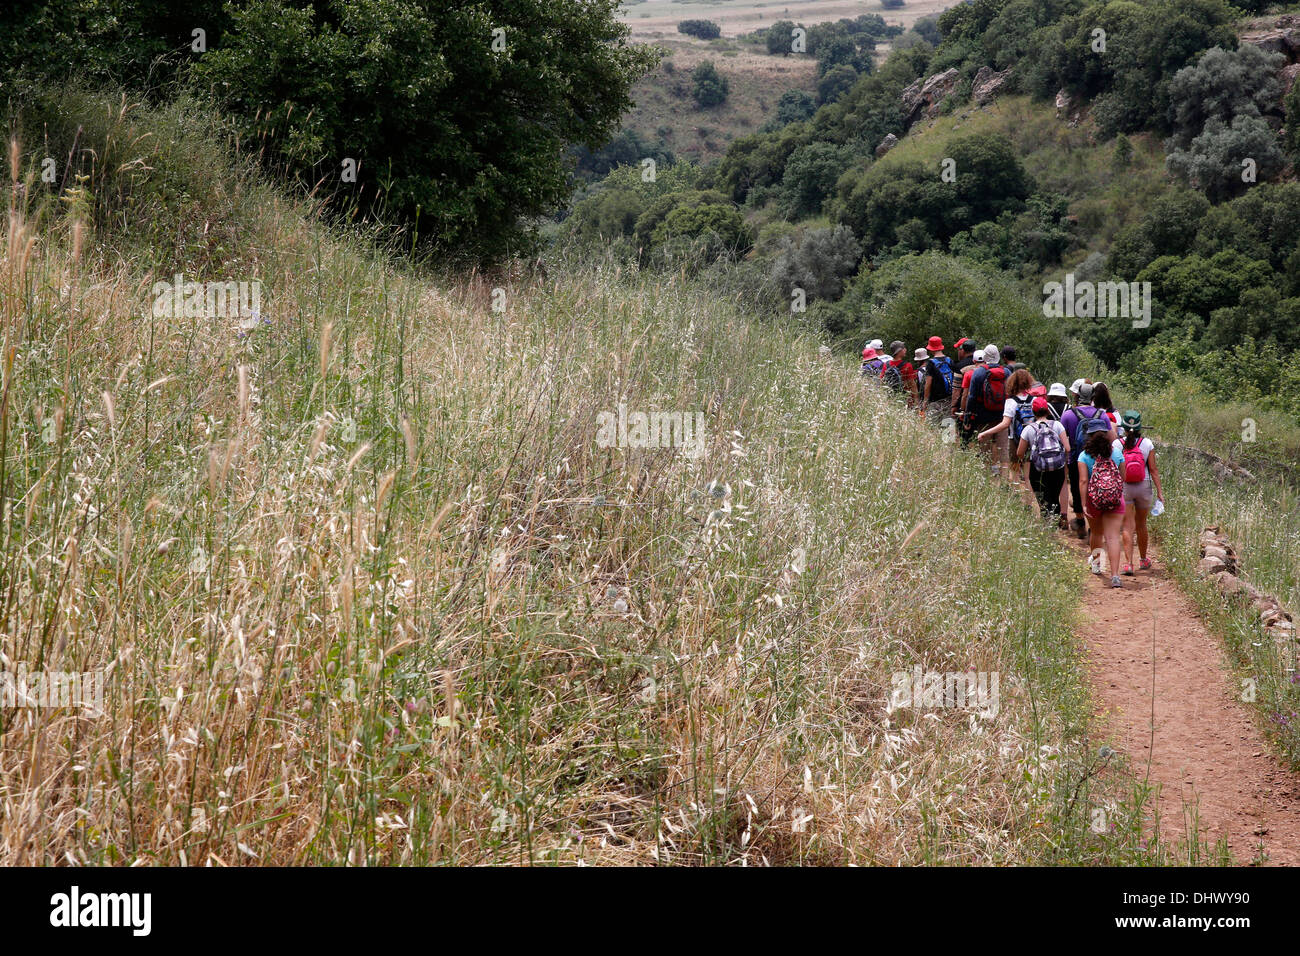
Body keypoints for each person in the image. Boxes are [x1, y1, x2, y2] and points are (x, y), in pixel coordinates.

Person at [1060, 382, 1117, 540]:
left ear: (1077, 396)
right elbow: (1112, 438)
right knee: (1097, 489)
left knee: (1078, 491)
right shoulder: (1101, 414)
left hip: (1076, 458)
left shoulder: (1068, 415)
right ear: (1093, 397)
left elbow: (1061, 437)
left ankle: (1080, 522)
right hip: (1098, 460)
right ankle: (1094, 526)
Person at [1115, 410, 1164, 575]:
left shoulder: (1117, 444)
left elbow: (1114, 468)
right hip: (1144, 486)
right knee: (1142, 524)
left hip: (1125, 486)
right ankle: (1143, 560)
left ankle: (1128, 564)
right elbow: (1154, 470)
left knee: (1127, 526)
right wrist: (1160, 492)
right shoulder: (1147, 443)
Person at [1078, 430, 1126, 588]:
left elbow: (1084, 481)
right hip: (1115, 501)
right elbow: (1122, 478)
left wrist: (1084, 503)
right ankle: (1115, 576)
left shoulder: (1084, 456)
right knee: (1112, 538)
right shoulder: (1117, 453)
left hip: (1094, 501)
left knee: (1096, 533)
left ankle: (1097, 564)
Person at [976, 367, 1035, 486]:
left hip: (1015, 441)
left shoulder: (1011, 402)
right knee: (1028, 476)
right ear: (1028, 382)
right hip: (1032, 440)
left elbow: (1005, 424)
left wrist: (985, 433)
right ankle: (1028, 504)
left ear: (1012, 382)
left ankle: (1015, 500)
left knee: (1015, 472)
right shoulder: (1034, 400)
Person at [1018, 396, 1071, 526]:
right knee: (1054, 497)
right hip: (1057, 468)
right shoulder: (1057, 425)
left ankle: (1047, 525)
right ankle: (1057, 520)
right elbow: (1068, 448)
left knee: (1043, 499)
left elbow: (1019, 453)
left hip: (1038, 470)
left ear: (1033, 412)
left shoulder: (1028, 429)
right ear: (1048, 411)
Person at [921, 336, 954, 426]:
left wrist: (925, 401)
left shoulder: (930, 363)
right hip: (949, 400)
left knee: (933, 428)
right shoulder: (949, 360)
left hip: (935, 401)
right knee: (948, 428)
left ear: (931, 349)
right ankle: (949, 440)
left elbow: (928, 383)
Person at [954, 344, 983, 446]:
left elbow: (964, 394)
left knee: (966, 437)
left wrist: (962, 410)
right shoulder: (990, 371)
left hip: (970, 408)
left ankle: (965, 453)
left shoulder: (969, 373)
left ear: (974, 361)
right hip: (986, 409)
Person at [881, 341, 919, 407]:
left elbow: (882, 381)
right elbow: (912, 385)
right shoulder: (907, 365)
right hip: (906, 399)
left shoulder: (886, 365)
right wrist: (916, 401)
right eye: (904, 348)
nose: (905, 350)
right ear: (899, 351)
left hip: (891, 398)